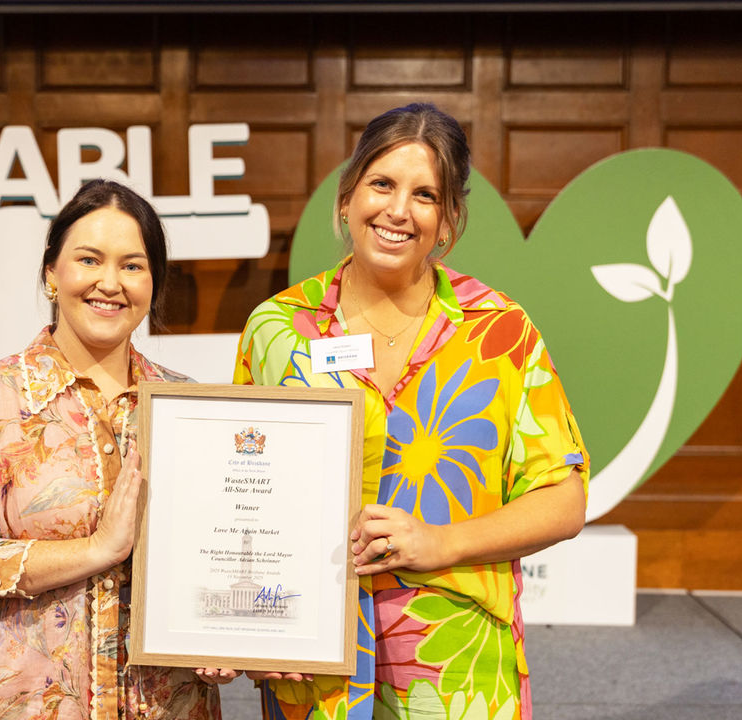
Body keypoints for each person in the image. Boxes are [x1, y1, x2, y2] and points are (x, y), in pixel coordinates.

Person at [233, 103, 589, 720]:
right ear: (347, 198)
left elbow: (564, 497)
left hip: (456, 666)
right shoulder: (277, 329)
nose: (398, 210)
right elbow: (240, 492)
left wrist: (441, 541)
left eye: (425, 194)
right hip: (315, 662)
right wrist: (245, 629)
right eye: (381, 184)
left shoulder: (499, 332)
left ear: (448, 220)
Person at [0, 179, 233, 720]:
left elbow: (218, 551)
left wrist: (223, 631)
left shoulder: (186, 408)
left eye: (133, 265)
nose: (111, 282)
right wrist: (94, 551)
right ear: (51, 273)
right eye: (89, 260)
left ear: (154, 282)